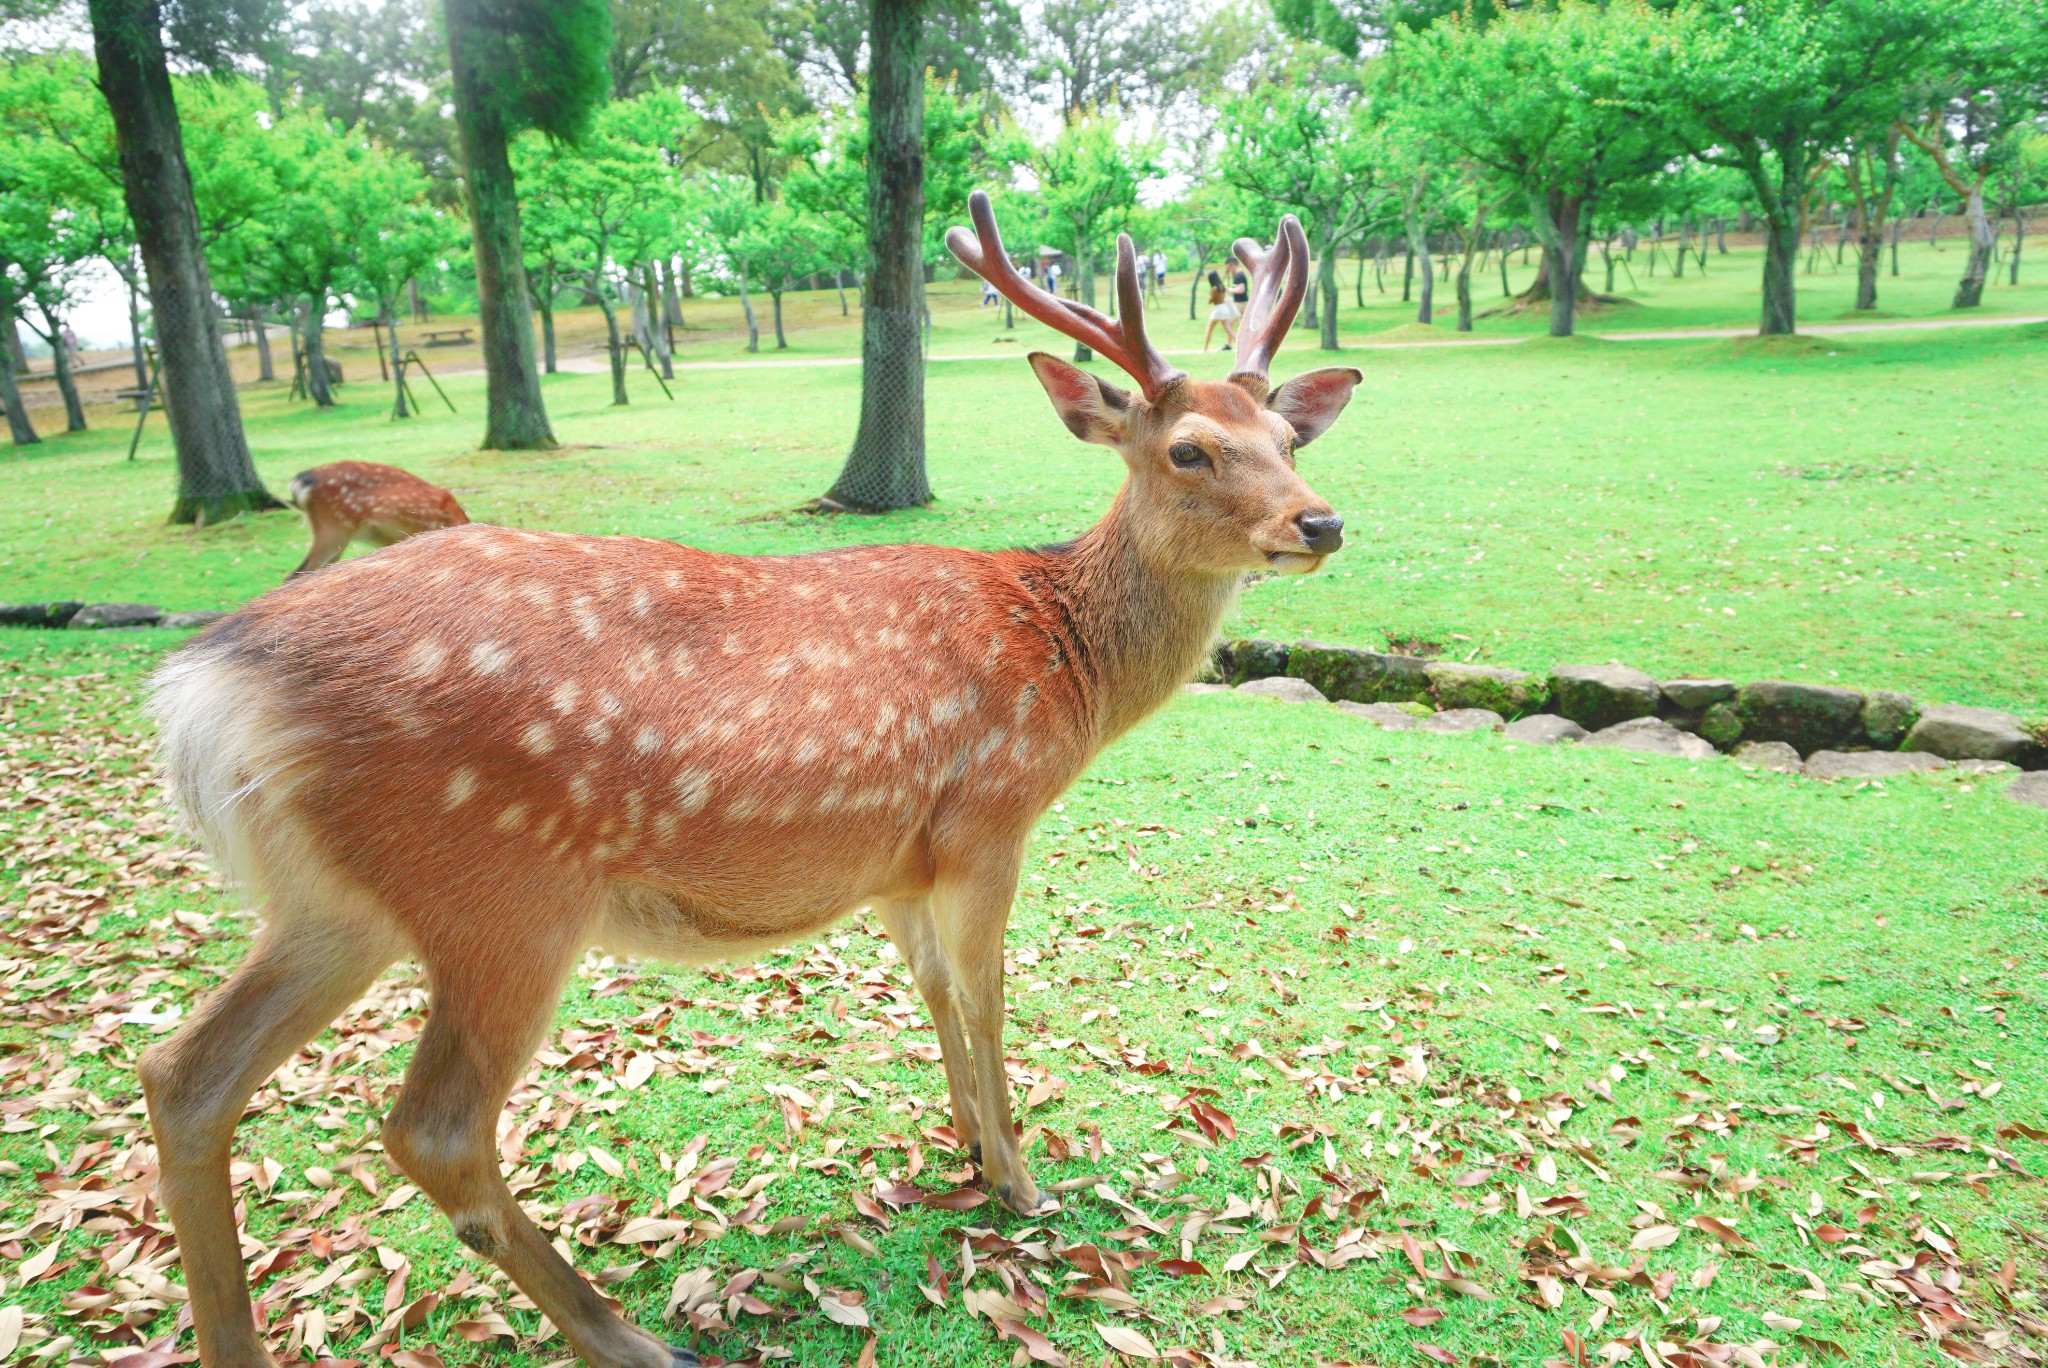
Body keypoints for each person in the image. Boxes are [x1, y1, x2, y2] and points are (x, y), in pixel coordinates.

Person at [1202, 270, 1239, 351]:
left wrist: (1210, 294)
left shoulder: (1214, 289)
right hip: (1225, 308)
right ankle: (1240, 345)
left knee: (1209, 328)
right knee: (1229, 330)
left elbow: (1210, 301)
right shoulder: (1222, 287)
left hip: (1218, 309)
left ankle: (1204, 349)